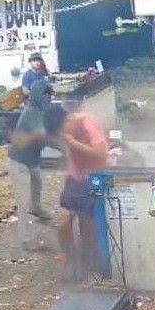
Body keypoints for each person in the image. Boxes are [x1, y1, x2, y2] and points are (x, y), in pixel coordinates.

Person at [43, 104, 109, 281]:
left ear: (66, 120)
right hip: (75, 177)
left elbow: (101, 154)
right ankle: (70, 257)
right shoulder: (66, 131)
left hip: (95, 177)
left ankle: (94, 262)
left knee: (90, 222)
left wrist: (73, 143)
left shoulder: (87, 123)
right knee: (64, 223)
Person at [8, 80, 53, 251]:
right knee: (23, 202)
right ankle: (27, 240)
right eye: (47, 96)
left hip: (31, 161)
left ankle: (37, 208)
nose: (49, 100)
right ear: (40, 96)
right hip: (19, 163)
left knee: (37, 183)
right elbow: (42, 136)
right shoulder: (32, 113)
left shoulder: (38, 111)